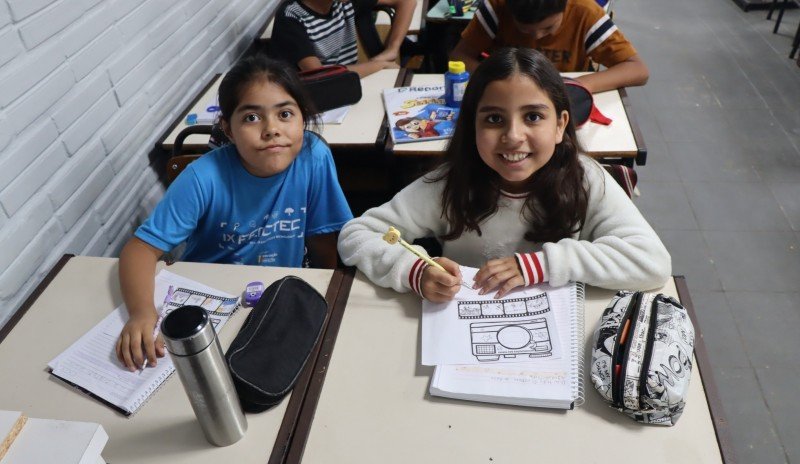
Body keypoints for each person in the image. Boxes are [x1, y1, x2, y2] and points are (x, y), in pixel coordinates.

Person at [337, 47, 669, 303]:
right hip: (462, 322)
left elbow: (652, 262)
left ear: (560, 125)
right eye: (494, 119)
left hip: (559, 331)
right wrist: (413, 270)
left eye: (534, 117)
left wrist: (540, 265)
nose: (513, 136)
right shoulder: (450, 184)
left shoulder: (585, 179)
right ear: (472, 127)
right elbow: (356, 235)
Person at [116, 54, 353, 370]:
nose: (271, 129)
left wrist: (326, 293)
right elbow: (140, 249)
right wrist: (143, 313)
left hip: (276, 298)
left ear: (303, 117)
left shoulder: (314, 157)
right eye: (251, 118)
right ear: (227, 129)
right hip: (210, 301)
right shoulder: (203, 177)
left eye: (285, 113)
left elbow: (323, 237)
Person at [449, 0, 648, 93]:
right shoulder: (495, 8)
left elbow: (638, 70)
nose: (537, 37)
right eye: (525, 31)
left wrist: (579, 86)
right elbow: (460, 55)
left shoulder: (585, 13)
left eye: (548, 28)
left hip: (562, 96)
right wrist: (495, 80)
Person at [269, 0, 416, 78]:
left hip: (347, 84)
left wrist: (393, 48)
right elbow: (318, 73)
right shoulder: (291, 16)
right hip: (314, 96)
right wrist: (379, 66)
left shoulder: (344, 2)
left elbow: (407, 1)